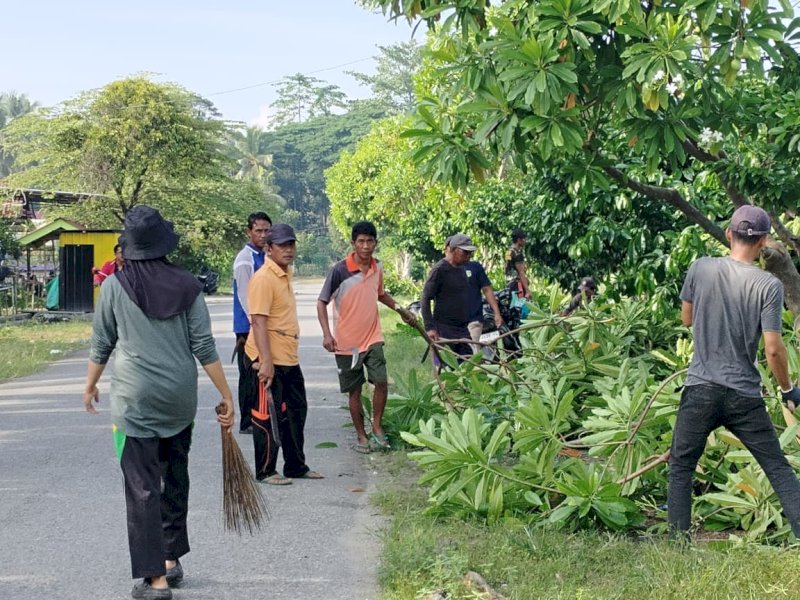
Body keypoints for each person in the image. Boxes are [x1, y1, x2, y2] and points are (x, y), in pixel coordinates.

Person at [83, 206, 234, 600]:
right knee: (175, 475)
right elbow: (203, 345)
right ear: (164, 245)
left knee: (141, 487)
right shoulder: (188, 285)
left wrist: (90, 385)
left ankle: (156, 580)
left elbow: (102, 343)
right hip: (179, 401)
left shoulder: (114, 287)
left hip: (135, 403)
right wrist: (226, 393)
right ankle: (170, 557)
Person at [668, 205, 800, 539]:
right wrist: (787, 390)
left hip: (700, 387)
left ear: (728, 234)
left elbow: (687, 318)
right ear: (764, 241)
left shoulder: (700, 268)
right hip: (743, 394)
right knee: (777, 468)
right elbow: (773, 348)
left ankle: (677, 545)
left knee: (682, 467)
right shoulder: (768, 286)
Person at [317, 221, 416, 454]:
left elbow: (380, 294)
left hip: (373, 336)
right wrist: (326, 335)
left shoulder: (377, 267)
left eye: (370, 241)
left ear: (375, 243)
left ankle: (377, 427)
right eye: (360, 241)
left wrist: (401, 310)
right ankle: (361, 435)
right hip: (347, 343)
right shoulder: (339, 271)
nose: (365, 245)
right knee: (355, 390)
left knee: (381, 382)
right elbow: (322, 302)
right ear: (353, 244)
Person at [244, 224, 323, 485]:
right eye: (282, 245)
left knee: (297, 412)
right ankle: (266, 470)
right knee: (268, 415)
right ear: (269, 248)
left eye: (291, 244)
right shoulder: (264, 278)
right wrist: (265, 362)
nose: (288, 250)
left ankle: (295, 465)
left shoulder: (285, 274)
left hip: (289, 356)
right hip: (268, 358)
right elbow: (257, 321)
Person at [232, 212, 271, 434]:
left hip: (262, 325)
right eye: (258, 230)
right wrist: (255, 325)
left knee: (263, 372)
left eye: (267, 230)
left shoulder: (265, 256)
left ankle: (261, 414)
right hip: (247, 327)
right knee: (248, 374)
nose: (263, 235)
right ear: (249, 232)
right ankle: (247, 421)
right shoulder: (245, 259)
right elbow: (246, 298)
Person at [420, 233, 476, 360]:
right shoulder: (439, 270)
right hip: (444, 328)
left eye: (470, 253)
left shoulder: (462, 269)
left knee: (470, 365)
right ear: (452, 250)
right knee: (447, 369)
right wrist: (430, 328)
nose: (468, 256)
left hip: (461, 329)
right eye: (465, 252)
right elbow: (425, 298)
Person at [505, 228, 531, 301]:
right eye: (524, 239)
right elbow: (521, 273)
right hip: (517, 285)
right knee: (521, 308)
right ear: (519, 240)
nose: (525, 241)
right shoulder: (518, 254)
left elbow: (506, 268)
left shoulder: (508, 252)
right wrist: (527, 291)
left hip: (509, 285)